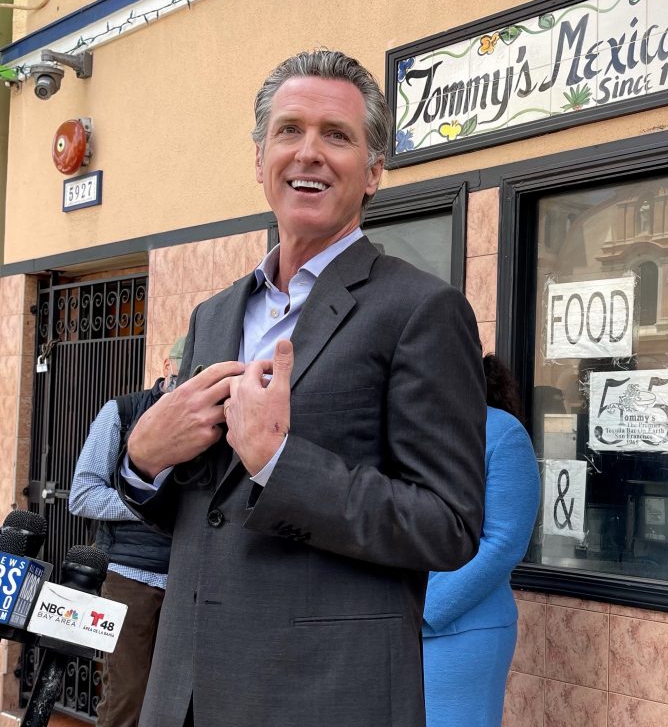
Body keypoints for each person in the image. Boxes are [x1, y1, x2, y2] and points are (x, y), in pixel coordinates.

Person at [117, 50, 486, 727]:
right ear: (259, 159)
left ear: (374, 171)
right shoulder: (215, 314)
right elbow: (206, 513)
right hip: (187, 693)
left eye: (337, 136)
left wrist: (283, 466)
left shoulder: (421, 310)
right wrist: (143, 460)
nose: (308, 153)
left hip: (325, 696)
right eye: (289, 131)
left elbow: (450, 526)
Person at [69, 338, 184, 727]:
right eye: (180, 367)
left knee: (179, 704)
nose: (184, 378)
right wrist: (148, 504)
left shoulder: (214, 418)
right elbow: (82, 496)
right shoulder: (122, 411)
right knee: (126, 700)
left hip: (188, 581)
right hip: (129, 576)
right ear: (165, 364)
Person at [422, 354, 540, 727]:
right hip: (398, 622)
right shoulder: (415, 428)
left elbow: (505, 542)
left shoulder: (503, 433)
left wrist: (425, 609)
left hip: (463, 629)